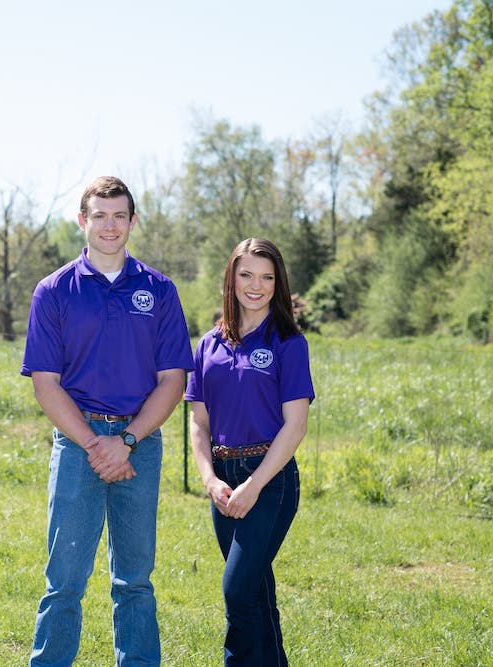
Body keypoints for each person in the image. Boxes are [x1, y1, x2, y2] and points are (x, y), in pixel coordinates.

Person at [21, 175, 194, 666]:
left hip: (140, 443)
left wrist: (128, 439)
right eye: (100, 215)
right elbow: (45, 384)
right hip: (78, 445)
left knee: (134, 580)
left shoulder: (158, 290)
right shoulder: (54, 291)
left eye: (120, 215)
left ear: (133, 221)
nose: (110, 225)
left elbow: (172, 380)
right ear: (83, 221)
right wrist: (97, 445)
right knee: (65, 581)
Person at [184, 238, 314, 666]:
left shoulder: (288, 343)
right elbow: (198, 424)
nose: (255, 286)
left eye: (266, 277)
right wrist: (209, 479)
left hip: (269, 478)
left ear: (278, 284)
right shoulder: (207, 346)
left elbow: (295, 426)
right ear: (231, 278)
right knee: (255, 590)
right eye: (246, 275)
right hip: (222, 478)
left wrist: (254, 486)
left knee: (237, 589)